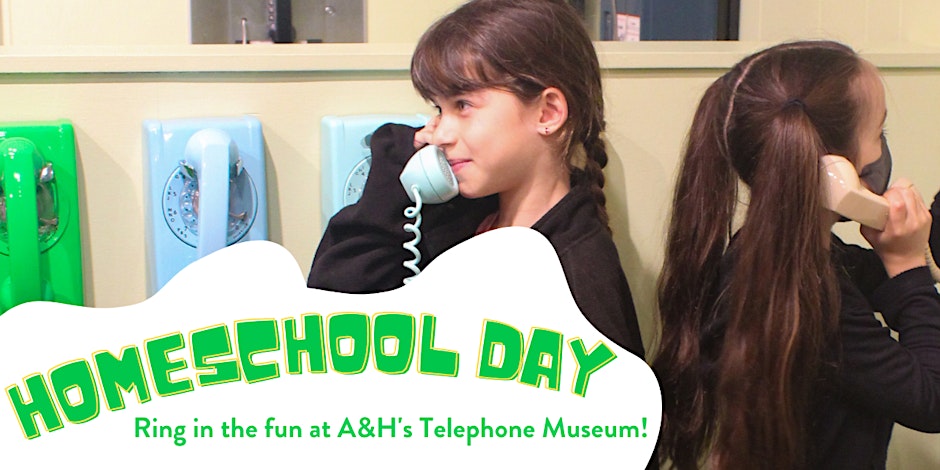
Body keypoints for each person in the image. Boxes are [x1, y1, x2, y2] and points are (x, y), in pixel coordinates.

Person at [653, 40, 940, 469]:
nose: (883, 151)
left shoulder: (771, 257)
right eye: (878, 133)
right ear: (834, 174)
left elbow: (885, 276)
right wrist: (908, 268)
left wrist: (909, 255)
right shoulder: (818, 297)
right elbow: (931, 397)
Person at [307, 0, 644, 358]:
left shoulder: (578, 271)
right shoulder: (463, 219)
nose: (439, 134)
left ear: (548, 112)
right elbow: (332, 319)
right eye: (439, 109)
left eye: (463, 105)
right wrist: (397, 168)